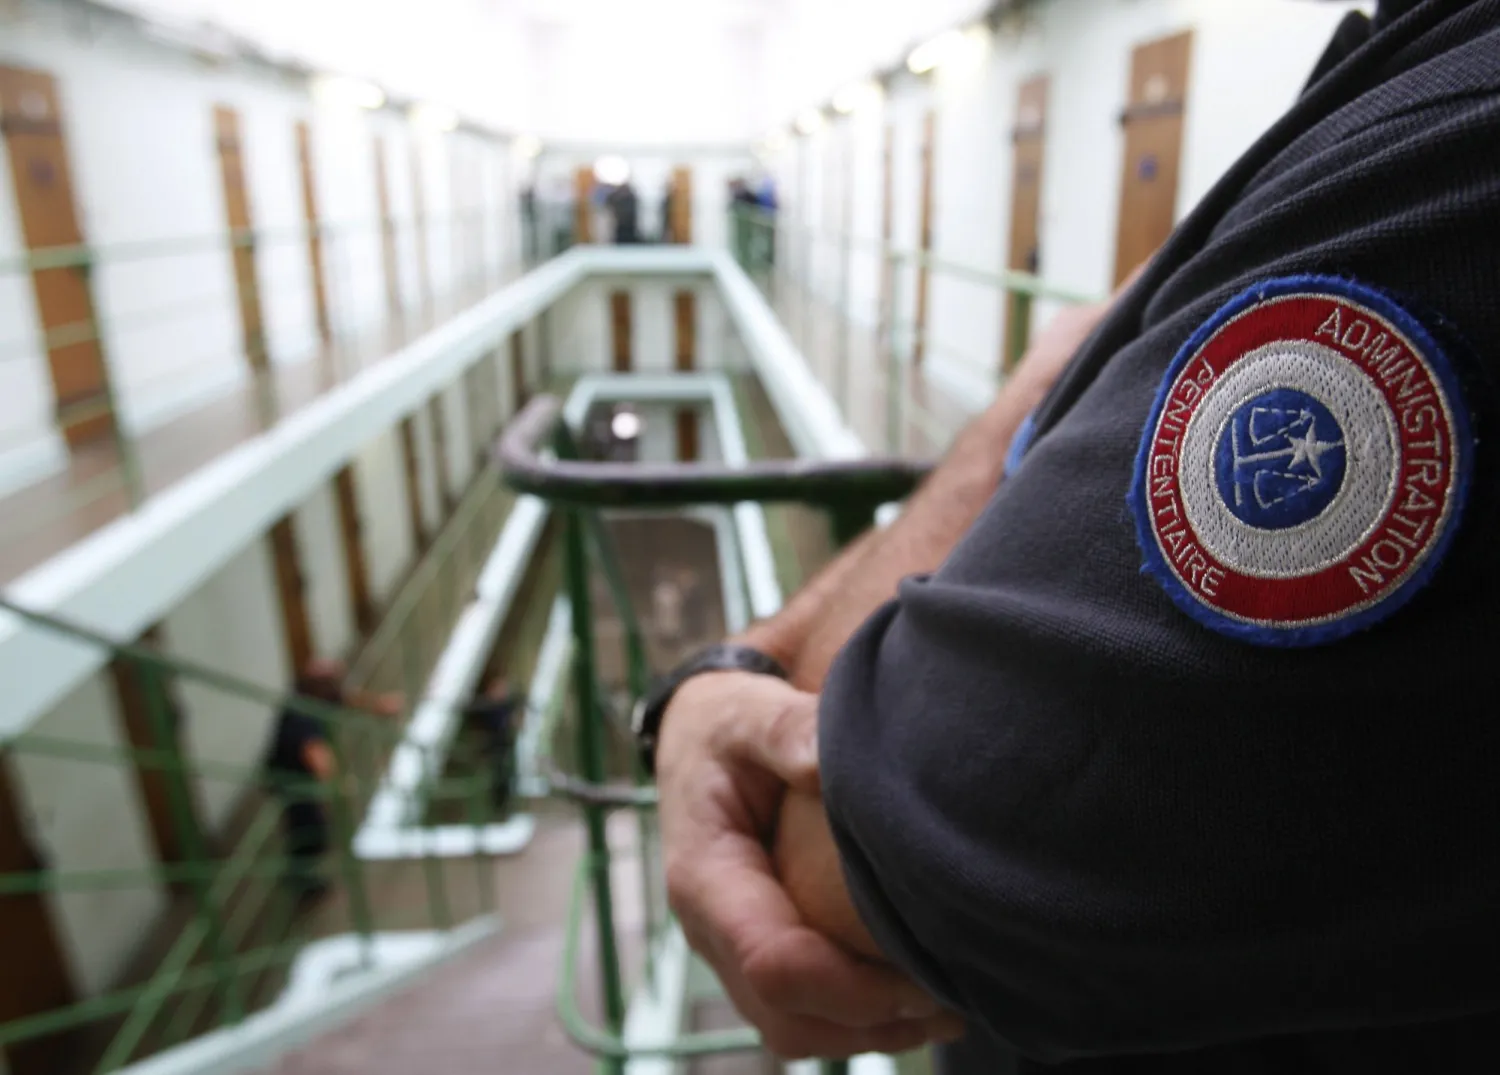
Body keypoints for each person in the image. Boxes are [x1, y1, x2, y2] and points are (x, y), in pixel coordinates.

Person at [642, 2, 1500, 1072]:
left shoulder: (1463, 152)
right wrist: (740, 669)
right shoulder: (1410, 65)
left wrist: (1025, 404)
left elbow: (828, 849)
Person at [264, 659, 402, 905]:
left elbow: (349, 699)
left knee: (311, 824)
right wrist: (336, 786)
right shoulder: (302, 714)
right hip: (289, 777)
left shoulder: (317, 696)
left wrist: (380, 705)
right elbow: (317, 755)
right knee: (308, 826)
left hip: (297, 770)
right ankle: (302, 883)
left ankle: (303, 874)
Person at [464, 676, 524, 813]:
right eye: (500, 689)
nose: (503, 692)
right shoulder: (486, 706)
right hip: (491, 748)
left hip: (504, 748)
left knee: (505, 778)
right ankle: (496, 808)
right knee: (494, 778)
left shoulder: (506, 706)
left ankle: (503, 807)